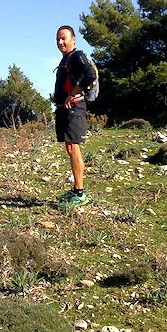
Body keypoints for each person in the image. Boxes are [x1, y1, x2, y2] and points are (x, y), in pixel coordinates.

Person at [54, 25, 97, 208]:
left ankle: (79, 193)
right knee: (70, 149)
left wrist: (74, 93)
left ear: (73, 39)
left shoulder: (77, 56)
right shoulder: (66, 59)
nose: (60, 42)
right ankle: (76, 190)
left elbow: (90, 75)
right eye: (58, 39)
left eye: (64, 38)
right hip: (66, 109)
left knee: (74, 147)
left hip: (75, 108)